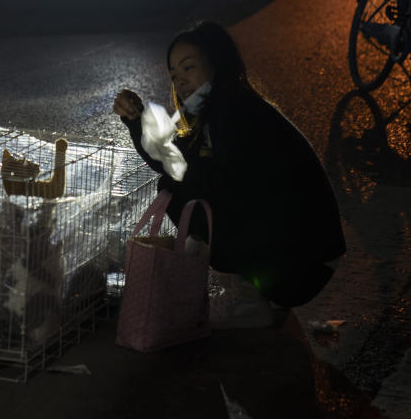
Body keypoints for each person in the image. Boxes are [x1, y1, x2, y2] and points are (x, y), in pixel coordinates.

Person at [112, 21, 346, 328]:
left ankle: (247, 298)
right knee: (180, 185)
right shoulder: (211, 111)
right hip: (303, 259)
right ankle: (255, 293)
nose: (181, 82)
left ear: (217, 63)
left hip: (304, 265)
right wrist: (137, 120)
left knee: (185, 192)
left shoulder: (236, 114)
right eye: (174, 75)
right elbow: (173, 162)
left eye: (189, 68)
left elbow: (199, 178)